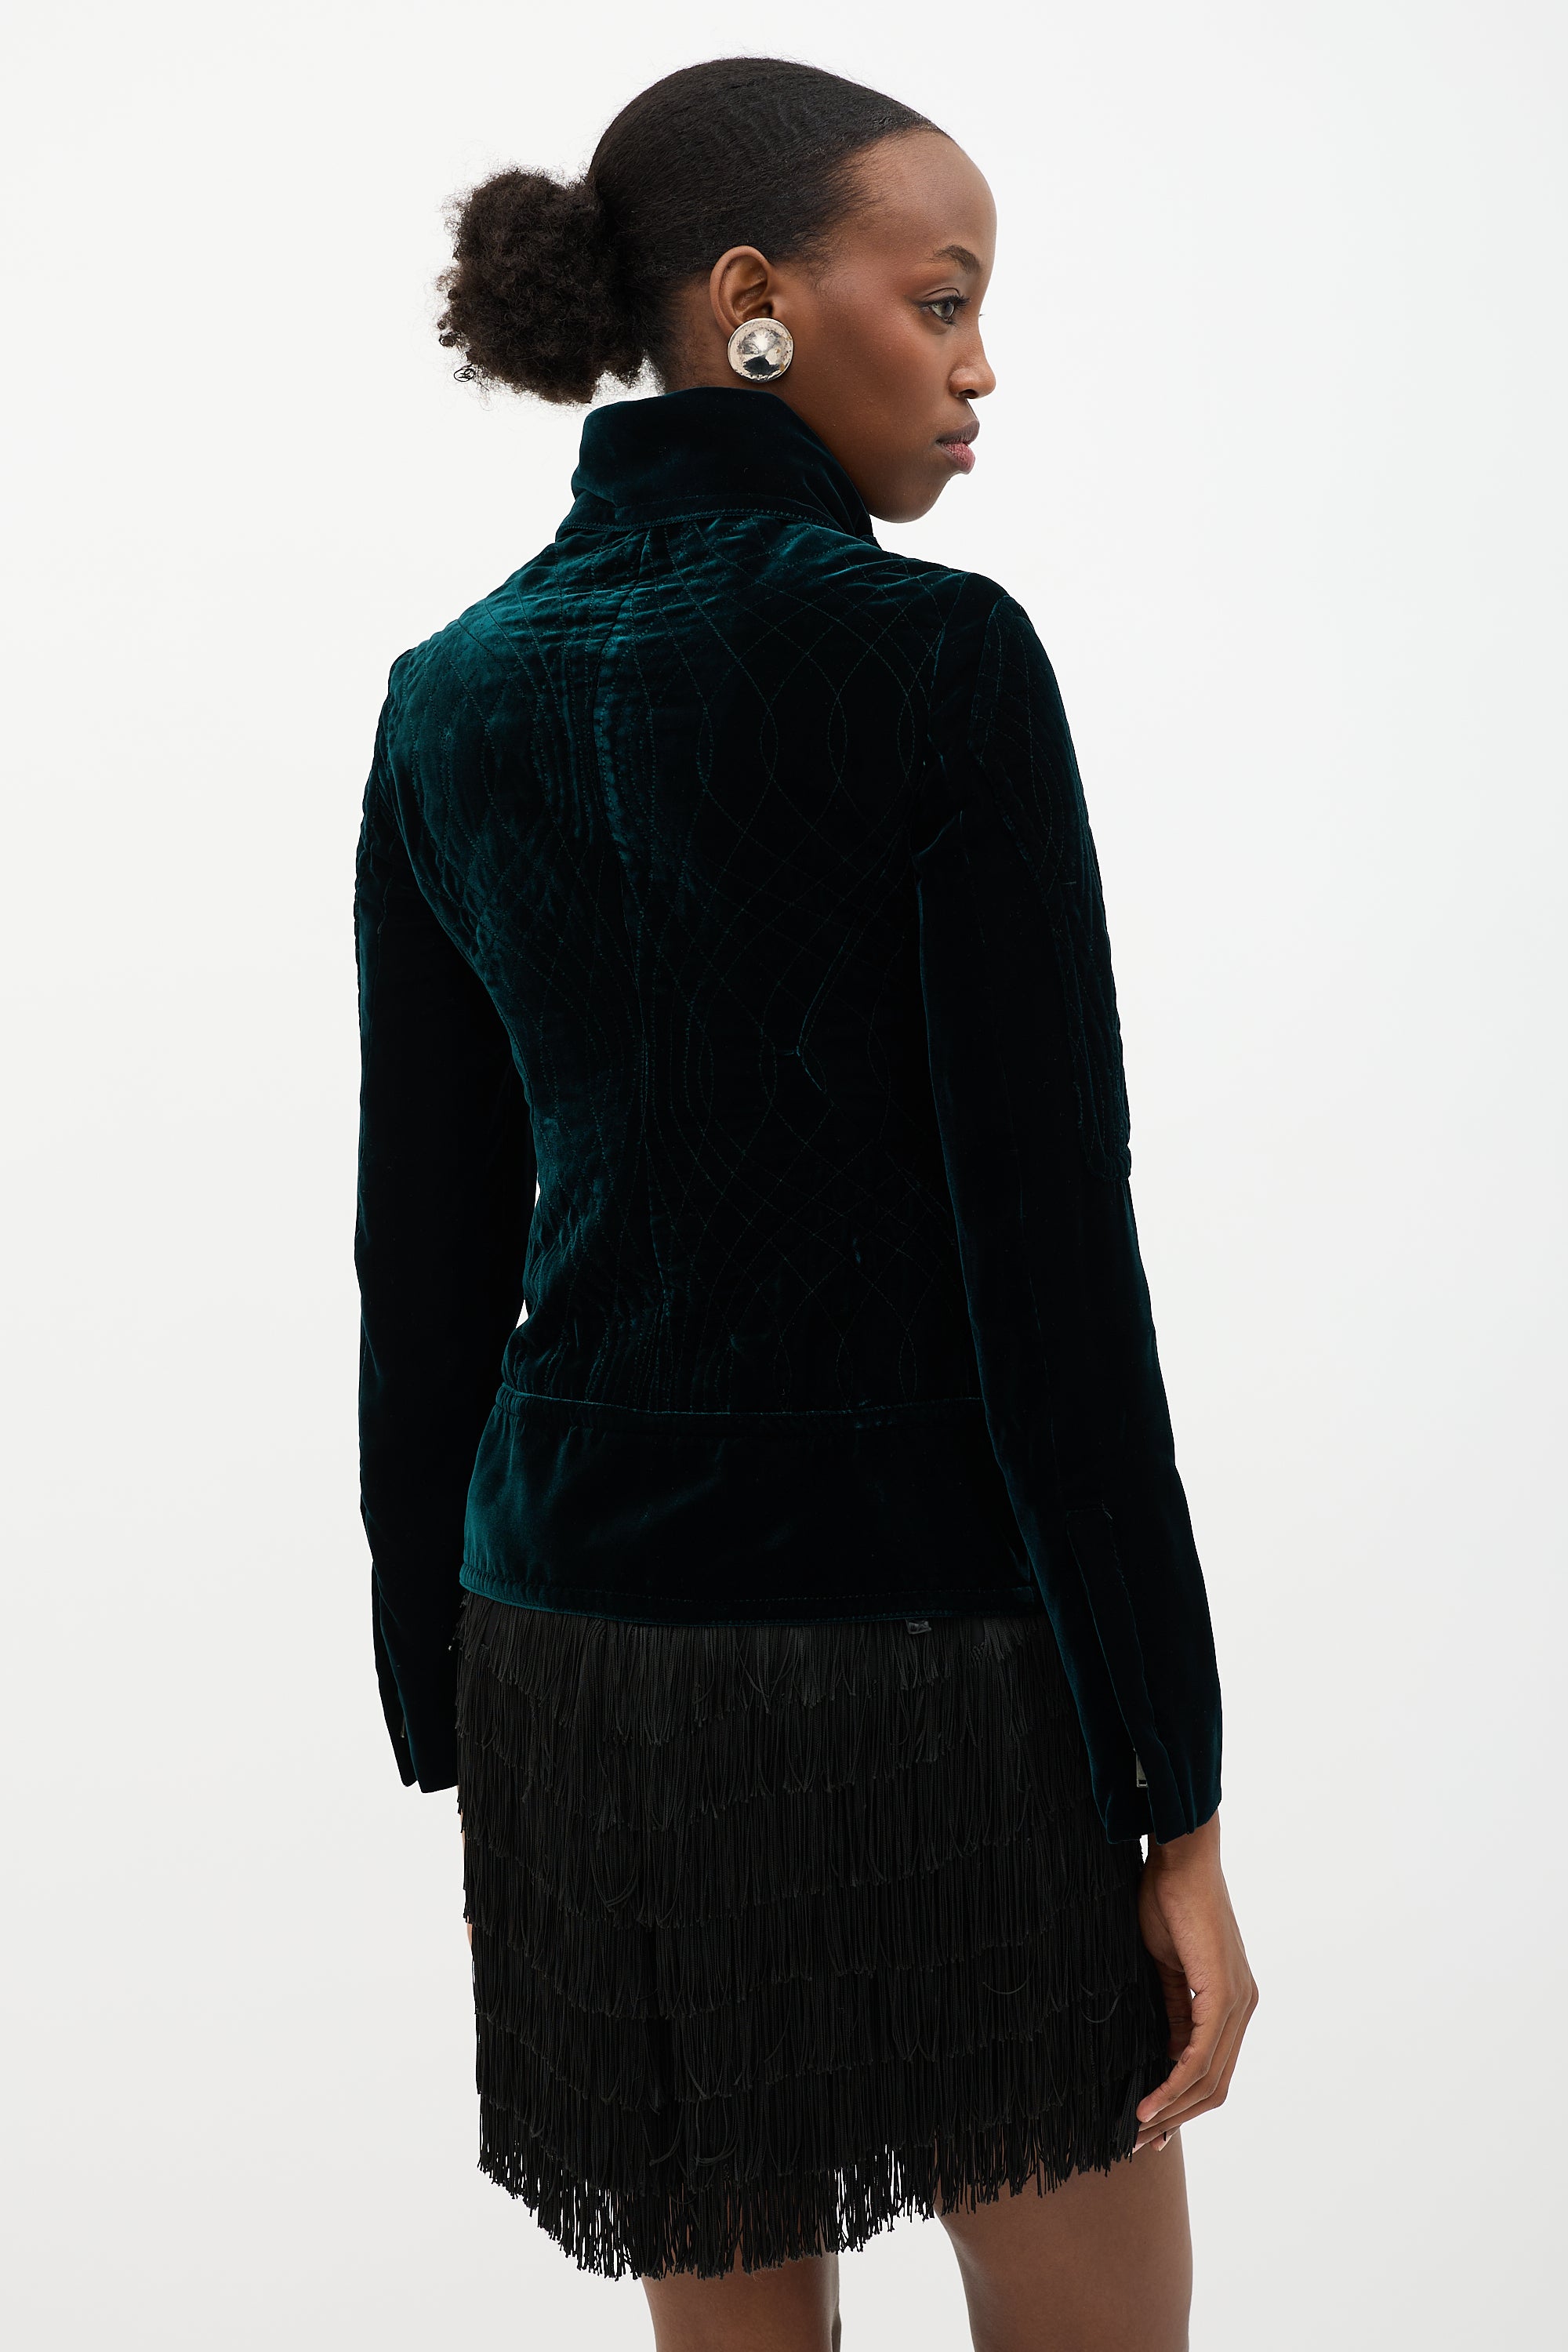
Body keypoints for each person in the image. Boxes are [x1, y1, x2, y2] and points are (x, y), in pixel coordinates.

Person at [354, 54, 1257, 2352]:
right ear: (753, 299)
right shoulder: (933, 656)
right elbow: (1051, 1258)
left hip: (579, 1659)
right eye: (940, 301)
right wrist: (1174, 1794)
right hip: (929, 1652)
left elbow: (422, 1257)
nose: (978, 368)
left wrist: (453, 1711)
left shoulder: (446, 698)